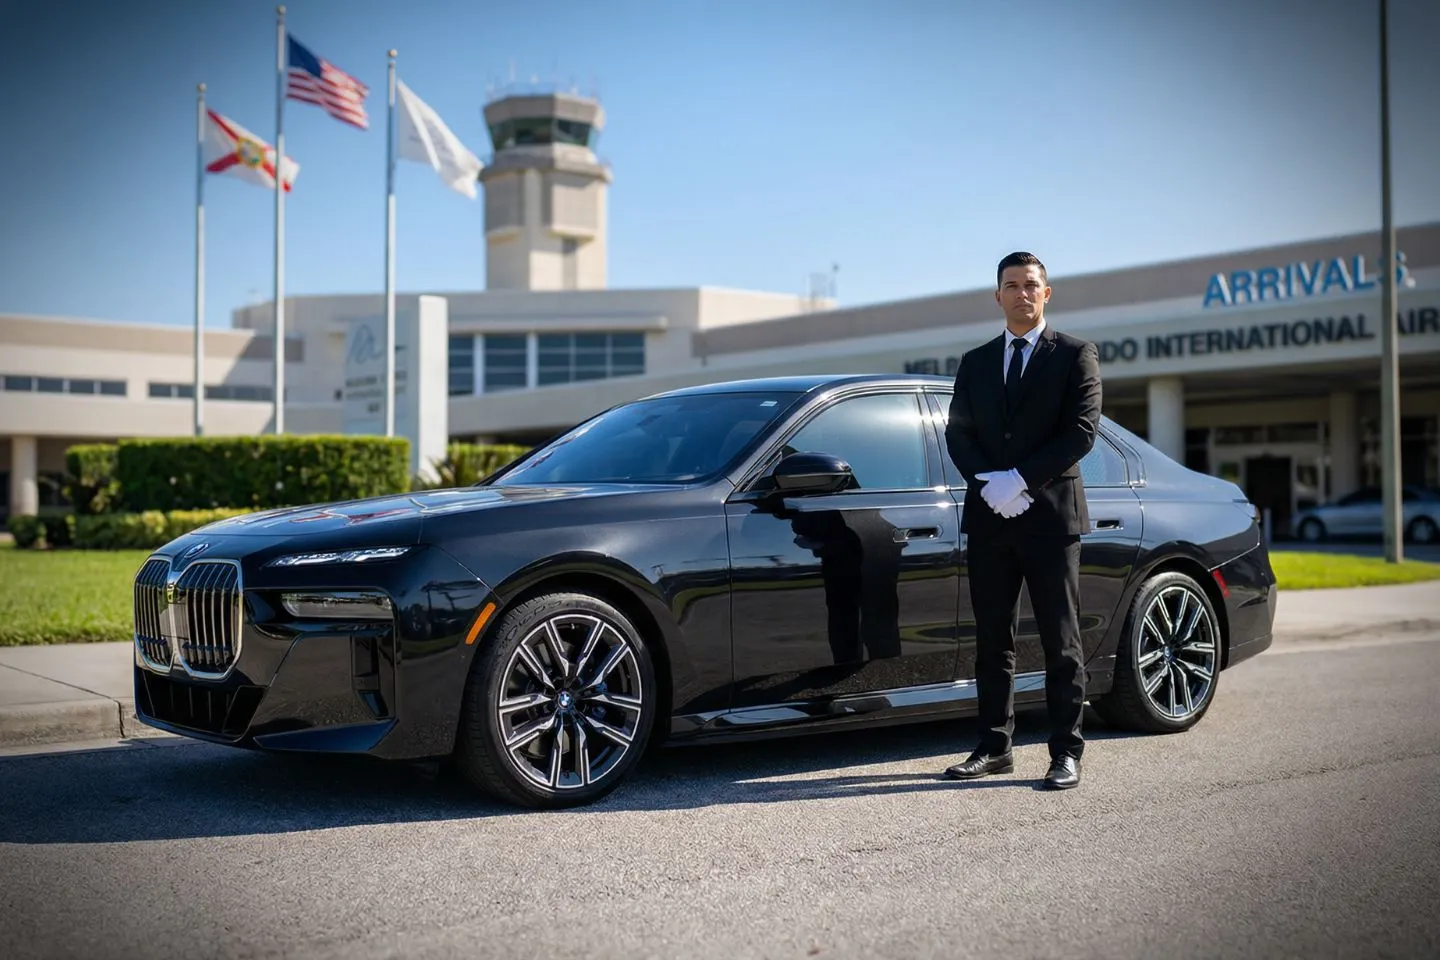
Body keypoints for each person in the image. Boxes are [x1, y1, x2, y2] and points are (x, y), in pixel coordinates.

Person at [942, 251, 1102, 790]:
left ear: (1046, 293)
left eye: (1031, 284)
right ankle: (994, 747)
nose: (1022, 293)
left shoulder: (1075, 354)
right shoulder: (976, 361)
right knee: (993, 640)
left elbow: (1081, 431)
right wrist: (990, 484)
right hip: (991, 518)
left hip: (1051, 519)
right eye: (1012, 285)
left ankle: (1066, 752)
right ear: (998, 296)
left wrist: (1021, 480)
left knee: (1061, 640)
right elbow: (958, 433)